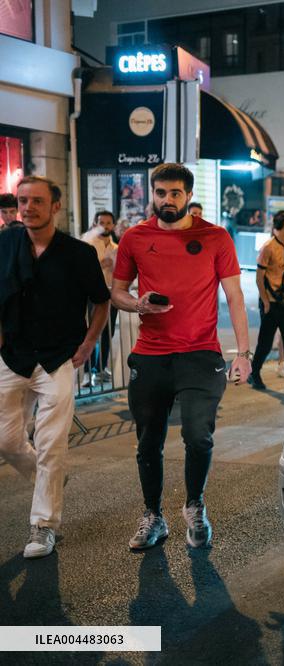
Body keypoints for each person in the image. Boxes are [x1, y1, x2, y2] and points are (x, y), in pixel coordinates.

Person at [111, 163, 251, 551]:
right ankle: (153, 516)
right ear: (152, 194)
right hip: (151, 354)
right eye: (161, 193)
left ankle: (194, 505)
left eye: (175, 193)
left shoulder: (216, 237)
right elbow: (117, 293)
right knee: (148, 443)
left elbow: (235, 297)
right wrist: (137, 304)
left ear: (189, 195)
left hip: (201, 354)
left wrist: (243, 354)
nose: (167, 200)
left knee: (198, 436)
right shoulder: (135, 238)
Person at [0, 176, 110, 558]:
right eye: (23, 200)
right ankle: (50, 477)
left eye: (37, 201)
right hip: (12, 357)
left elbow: (101, 301)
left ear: (56, 207)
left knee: (50, 443)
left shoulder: (79, 253)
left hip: (57, 359)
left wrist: (90, 342)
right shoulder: (5, 244)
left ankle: (43, 525)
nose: (27, 207)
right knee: (6, 441)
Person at [249, 210, 284, 391]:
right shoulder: (268, 247)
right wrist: (265, 301)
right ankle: (254, 373)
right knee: (265, 343)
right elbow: (259, 278)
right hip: (270, 302)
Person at [83, 210, 119, 386]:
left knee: (108, 333)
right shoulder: (88, 244)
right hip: (92, 296)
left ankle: (101, 367)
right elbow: (80, 270)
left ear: (113, 225)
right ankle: (87, 371)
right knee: (91, 332)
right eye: (101, 222)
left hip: (111, 294)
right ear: (95, 224)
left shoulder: (117, 248)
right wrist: (101, 265)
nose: (105, 226)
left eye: (108, 223)